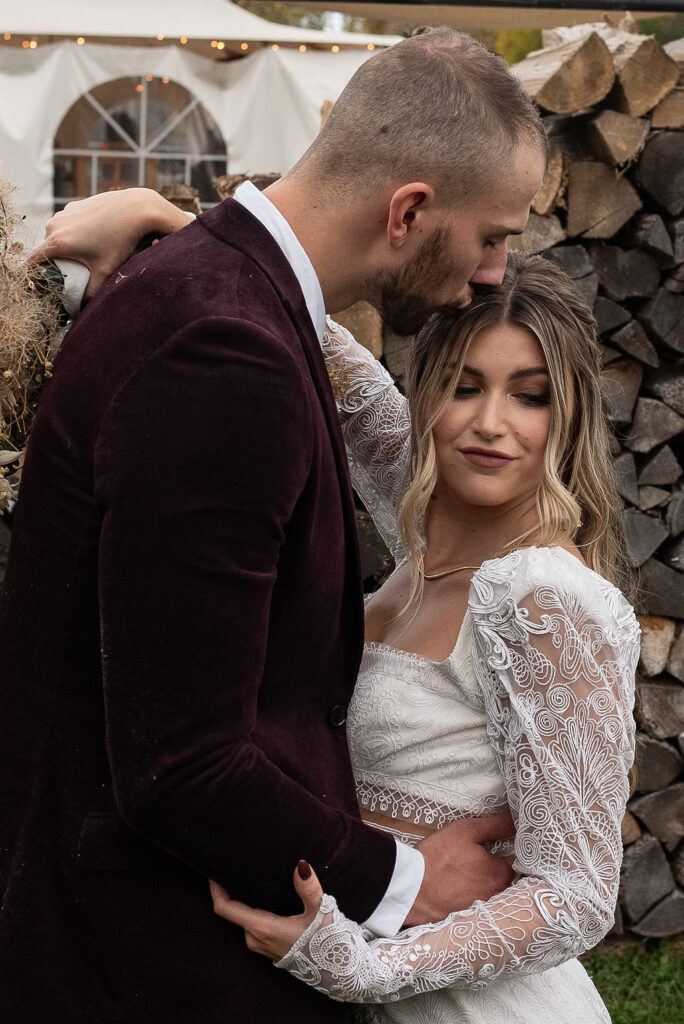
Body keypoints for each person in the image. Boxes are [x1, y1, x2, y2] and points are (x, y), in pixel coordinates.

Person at [0, 29, 546, 1024]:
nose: (492, 276)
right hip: (144, 962)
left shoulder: (219, 294)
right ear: (409, 211)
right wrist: (405, 880)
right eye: (491, 237)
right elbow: (181, 764)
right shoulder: (224, 354)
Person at [205, 251, 640, 1023]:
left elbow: (573, 896)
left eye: (529, 396)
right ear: (427, 396)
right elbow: (331, 359)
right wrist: (171, 229)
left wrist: (363, 969)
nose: (489, 423)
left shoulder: (541, 594)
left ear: (567, 416)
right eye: (463, 387)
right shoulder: (431, 545)